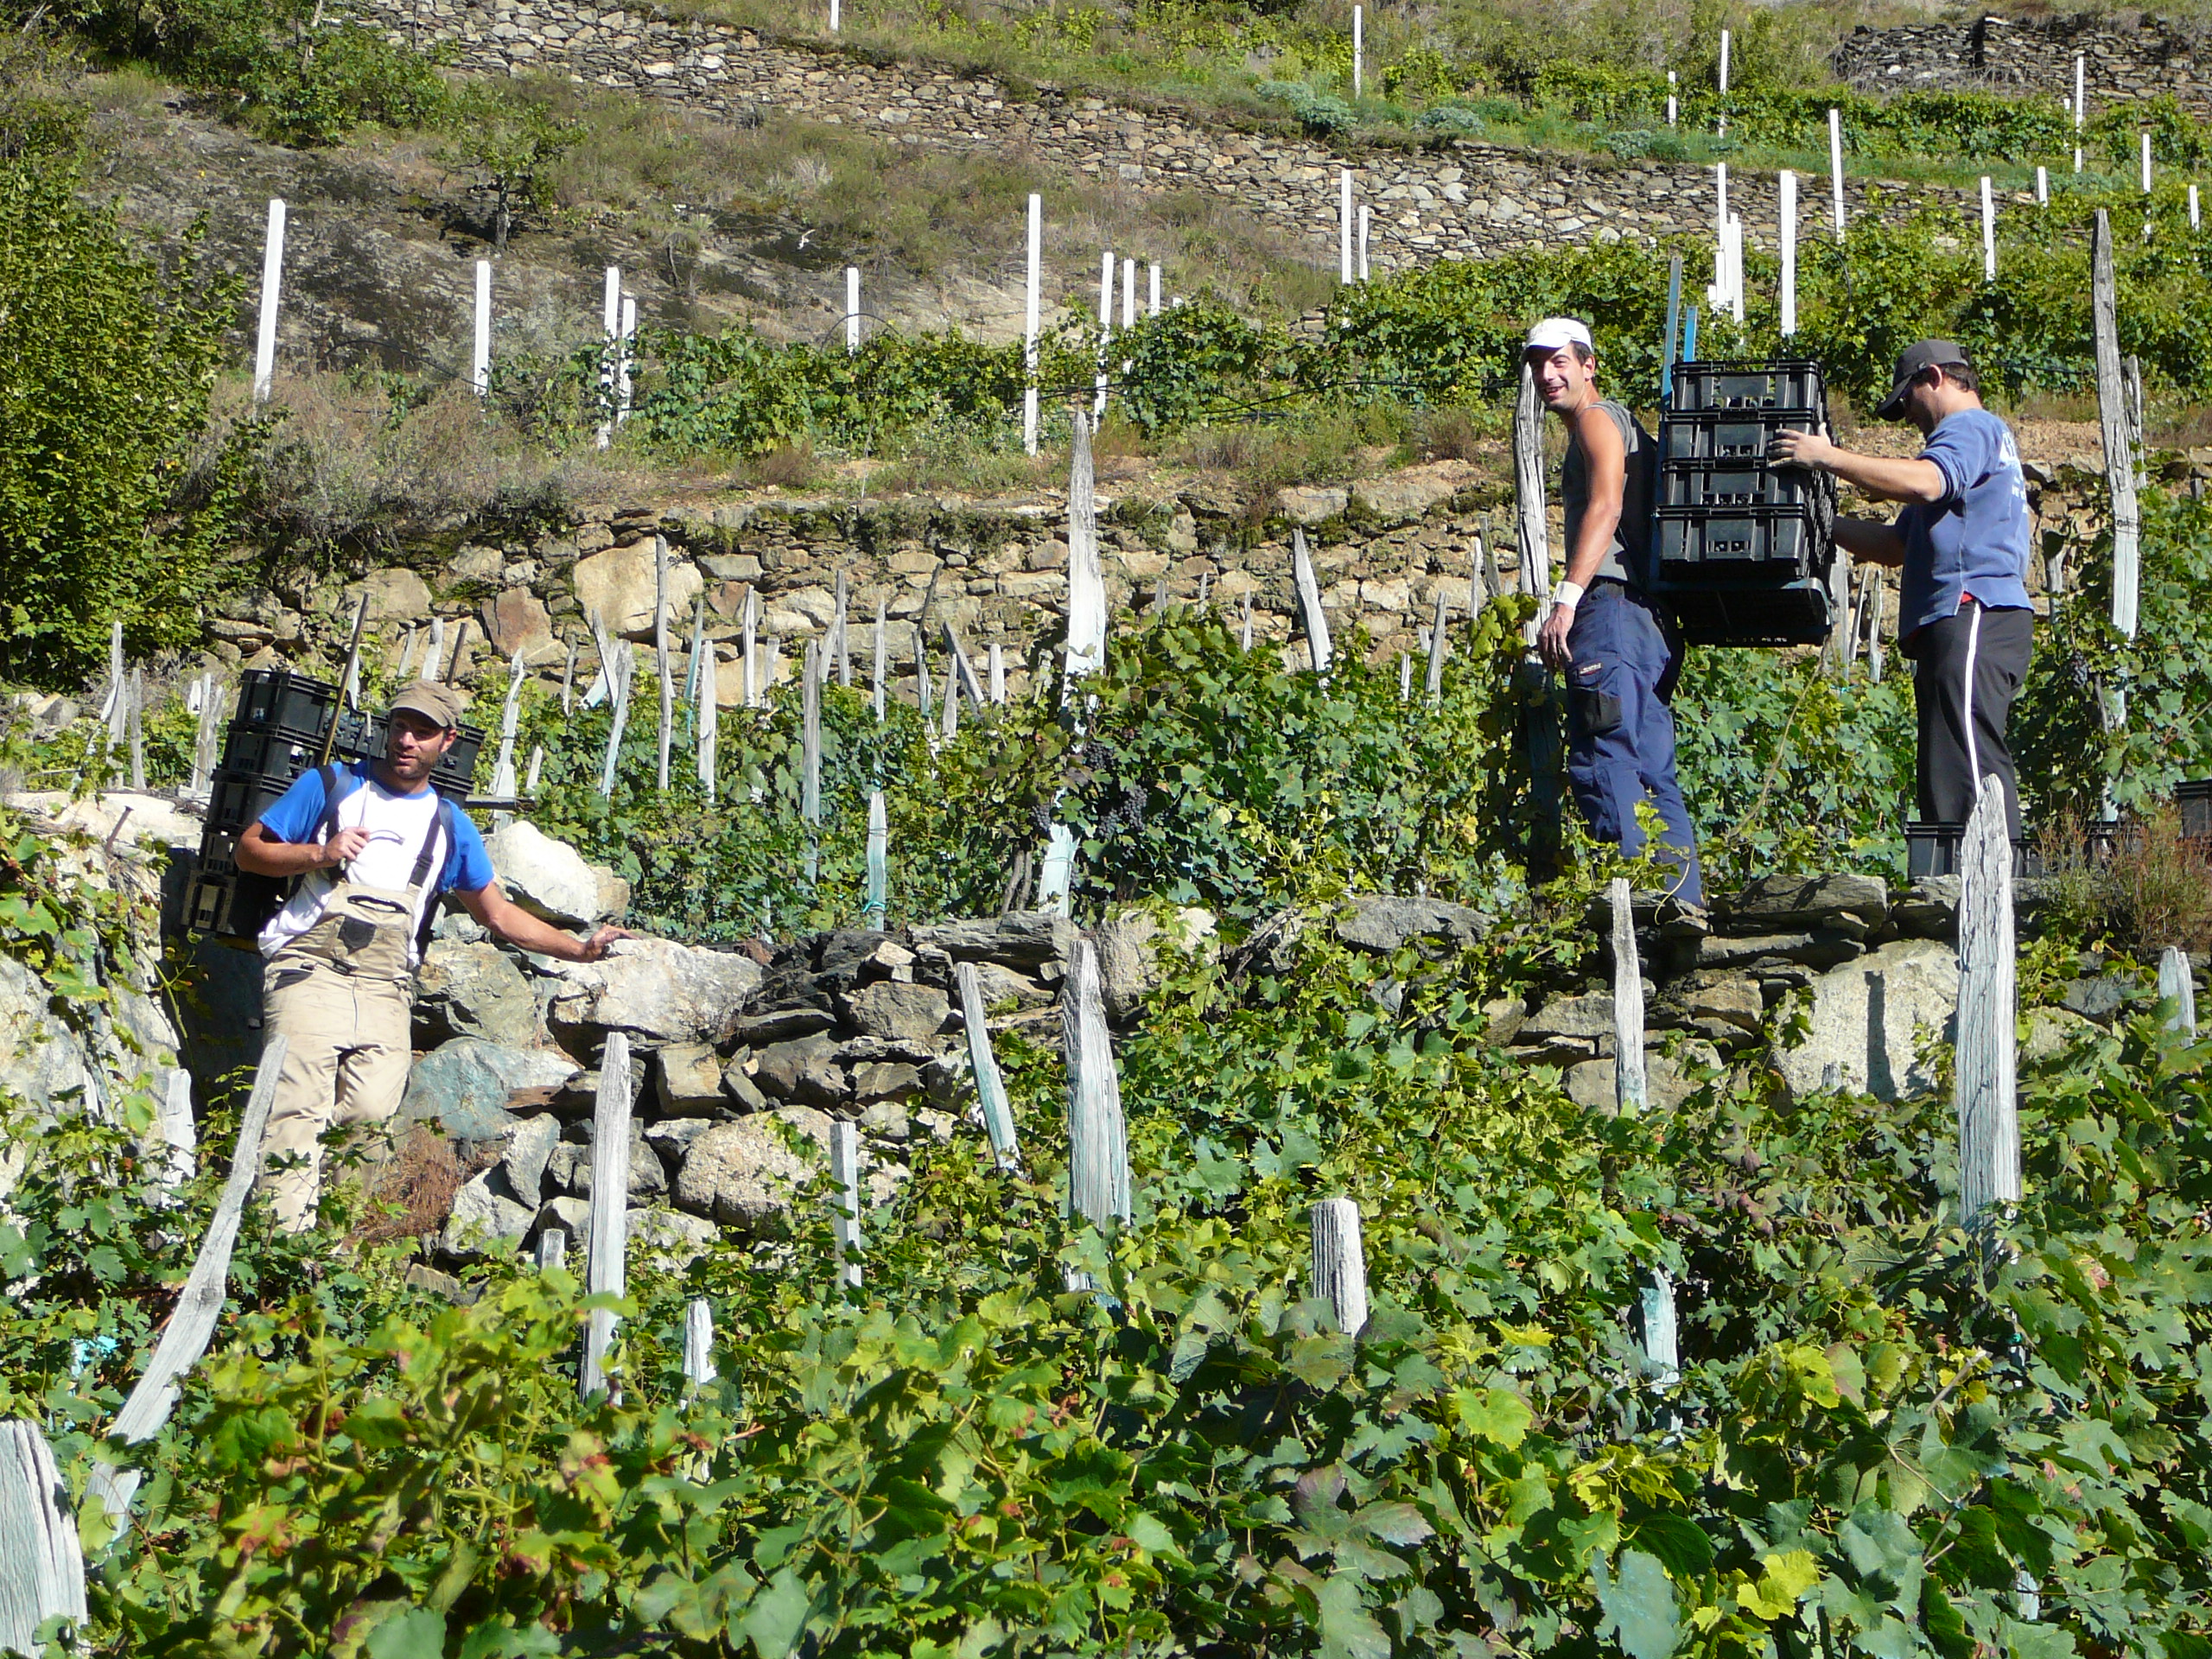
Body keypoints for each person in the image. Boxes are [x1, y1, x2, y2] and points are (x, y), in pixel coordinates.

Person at [235, 681, 628, 1230]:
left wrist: (580, 949)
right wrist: (319, 853)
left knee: (369, 1116)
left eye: (422, 732)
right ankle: (277, 1247)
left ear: (447, 742)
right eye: (400, 726)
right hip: (309, 969)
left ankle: (331, 1254)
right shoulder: (331, 785)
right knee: (296, 1109)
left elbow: (500, 915)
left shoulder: (450, 826)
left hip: (385, 985)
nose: (407, 741)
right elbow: (249, 852)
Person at [1770, 340, 2034, 844]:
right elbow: (1896, 546)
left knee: (1970, 753)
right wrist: (1821, 523)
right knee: (1946, 761)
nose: (1908, 418)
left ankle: (1994, 882)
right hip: (1953, 620)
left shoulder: (1969, 429)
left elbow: (1928, 483)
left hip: (1974, 607)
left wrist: (1826, 457)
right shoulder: (1962, 447)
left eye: (1907, 401)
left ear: (1933, 377)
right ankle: (1956, 882)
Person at [1526, 316, 1706, 909]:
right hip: (1649, 626)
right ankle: (1682, 904)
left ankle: (1637, 910)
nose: (1548, 375)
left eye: (1560, 362)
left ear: (1588, 365)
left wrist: (1567, 599)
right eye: (1538, 365)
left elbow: (1606, 504)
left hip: (1611, 614)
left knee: (1605, 755)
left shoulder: (1599, 421)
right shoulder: (1629, 427)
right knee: (1654, 769)